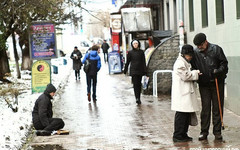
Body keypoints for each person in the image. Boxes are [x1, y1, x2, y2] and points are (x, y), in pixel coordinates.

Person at [191, 33, 228, 141]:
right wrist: (196, 74)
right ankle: (204, 132)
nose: (199, 47)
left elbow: (224, 64)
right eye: (197, 46)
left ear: (205, 42)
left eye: (200, 45)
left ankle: (217, 132)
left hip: (217, 82)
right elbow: (193, 66)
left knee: (217, 108)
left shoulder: (216, 49)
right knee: (205, 109)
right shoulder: (195, 52)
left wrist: (218, 71)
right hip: (204, 84)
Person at [171, 44, 201, 142]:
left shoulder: (184, 62)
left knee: (186, 114)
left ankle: (183, 134)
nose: (190, 57)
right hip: (182, 93)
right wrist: (196, 73)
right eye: (189, 55)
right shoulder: (180, 63)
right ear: (184, 54)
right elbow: (186, 76)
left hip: (185, 93)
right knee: (181, 114)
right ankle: (178, 135)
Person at [123, 39, 147, 105]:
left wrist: (145, 71)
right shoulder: (130, 53)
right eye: (134, 44)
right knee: (135, 84)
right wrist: (125, 70)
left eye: (136, 43)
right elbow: (127, 62)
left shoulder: (141, 52)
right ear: (132, 45)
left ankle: (139, 97)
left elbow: (143, 62)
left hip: (140, 70)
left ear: (138, 44)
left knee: (139, 84)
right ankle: (137, 98)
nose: (135, 45)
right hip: (133, 70)